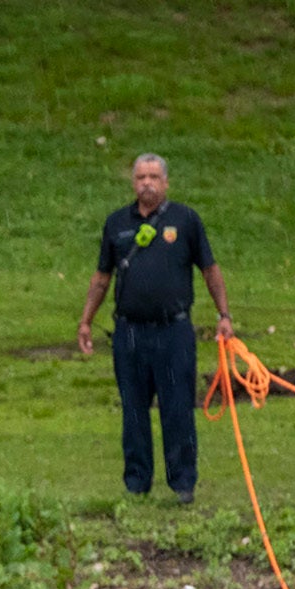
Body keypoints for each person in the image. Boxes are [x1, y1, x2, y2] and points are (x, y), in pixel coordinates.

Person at [79, 153, 234, 504]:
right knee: (133, 411)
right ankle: (137, 483)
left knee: (177, 408)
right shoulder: (117, 223)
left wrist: (224, 314)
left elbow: (210, 269)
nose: (146, 183)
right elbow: (102, 277)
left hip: (173, 331)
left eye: (153, 177)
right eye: (140, 177)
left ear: (165, 183)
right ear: (132, 183)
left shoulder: (186, 220)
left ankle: (182, 484)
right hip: (129, 332)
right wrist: (86, 320)